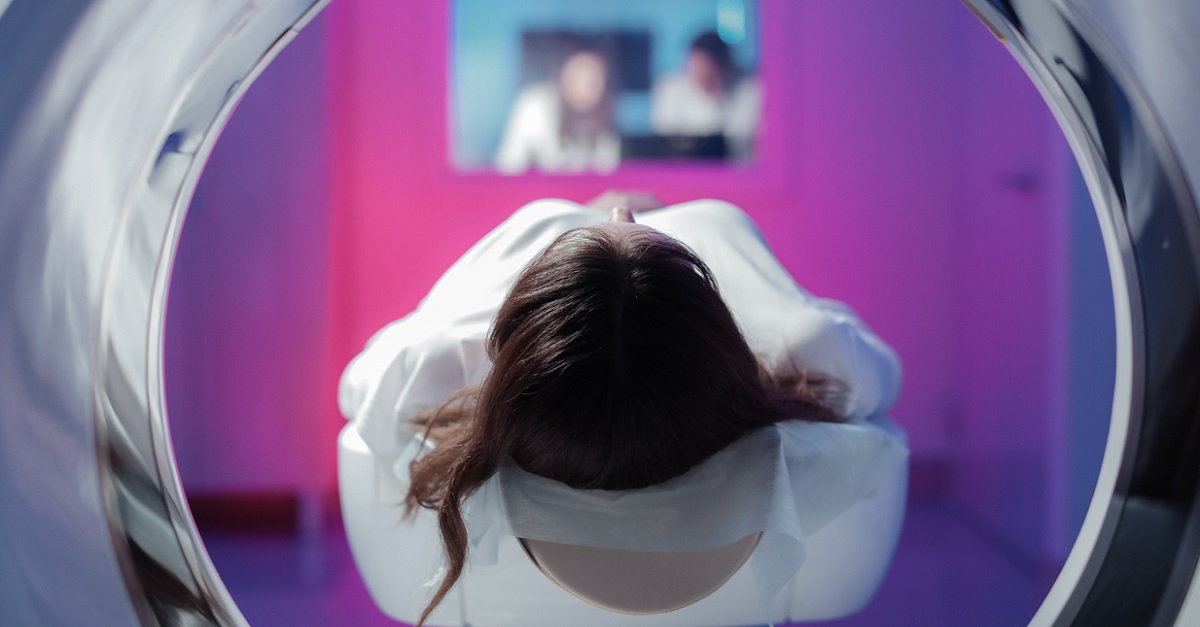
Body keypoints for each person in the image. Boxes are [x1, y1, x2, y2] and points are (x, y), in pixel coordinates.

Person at [339, 195, 903, 626]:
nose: (622, 208)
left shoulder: (440, 359)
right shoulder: (806, 345)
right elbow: (887, 376)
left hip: (551, 274)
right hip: (676, 281)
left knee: (548, 214)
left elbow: (356, 390)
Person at [494, 47, 621, 174]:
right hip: (538, 192)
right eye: (577, 76)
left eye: (592, 80)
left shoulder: (605, 115)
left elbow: (607, 172)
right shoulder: (534, 104)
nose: (583, 85)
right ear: (563, 76)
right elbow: (509, 165)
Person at [651, 31, 762, 159]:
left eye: (709, 70)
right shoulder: (670, 90)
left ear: (725, 65)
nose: (701, 75)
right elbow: (667, 145)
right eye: (697, 68)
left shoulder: (752, 90)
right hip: (689, 174)